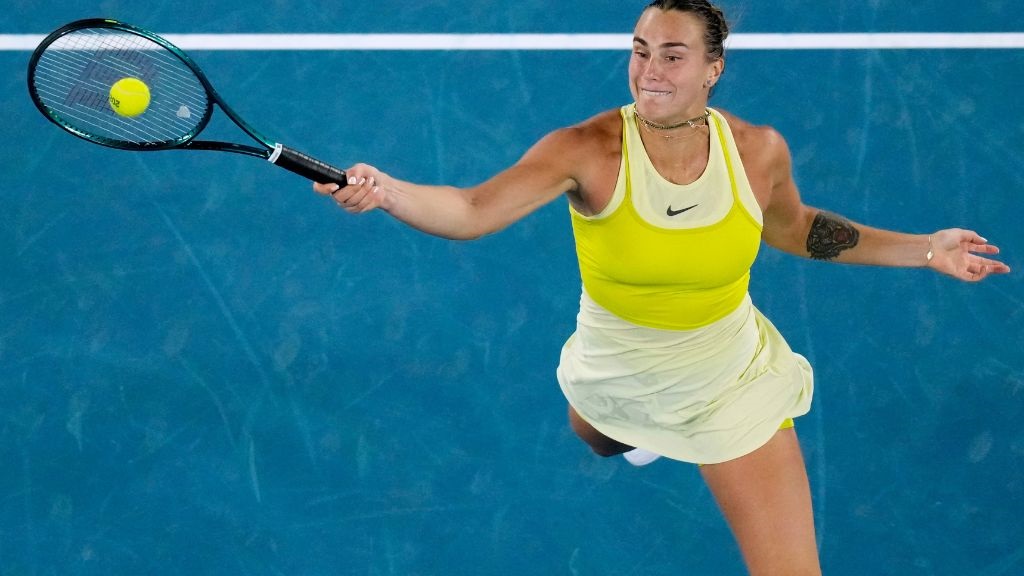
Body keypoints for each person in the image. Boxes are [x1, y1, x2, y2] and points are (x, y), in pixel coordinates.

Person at [313, 1, 1011, 573]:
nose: (648, 70)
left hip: (727, 375)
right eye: (640, 49)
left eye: (672, 55)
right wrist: (385, 191)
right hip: (615, 359)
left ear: (713, 69)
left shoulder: (757, 150)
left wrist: (925, 249)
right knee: (594, 435)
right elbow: (470, 211)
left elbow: (797, 229)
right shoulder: (587, 150)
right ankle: (636, 432)